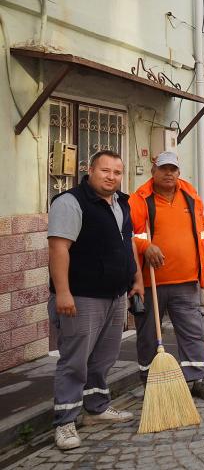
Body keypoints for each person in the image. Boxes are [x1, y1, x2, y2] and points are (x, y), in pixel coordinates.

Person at [47, 150, 143, 450]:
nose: (111, 177)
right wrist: (63, 292)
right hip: (81, 296)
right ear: (90, 170)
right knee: (74, 360)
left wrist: (137, 279)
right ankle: (65, 422)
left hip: (115, 296)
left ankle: (97, 408)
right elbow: (59, 249)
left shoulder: (122, 203)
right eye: (105, 170)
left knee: (104, 357)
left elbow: (128, 245)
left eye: (117, 172)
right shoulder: (70, 202)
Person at [129, 152, 204, 402]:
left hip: (186, 280)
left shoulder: (190, 196)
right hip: (151, 283)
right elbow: (129, 234)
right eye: (163, 169)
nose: (169, 173)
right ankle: (150, 381)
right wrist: (146, 247)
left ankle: (197, 378)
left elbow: (201, 232)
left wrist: (203, 256)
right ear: (153, 171)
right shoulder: (140, 200)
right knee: (148, 335)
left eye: (173, 169)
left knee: (193, 330)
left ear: (179, 172)